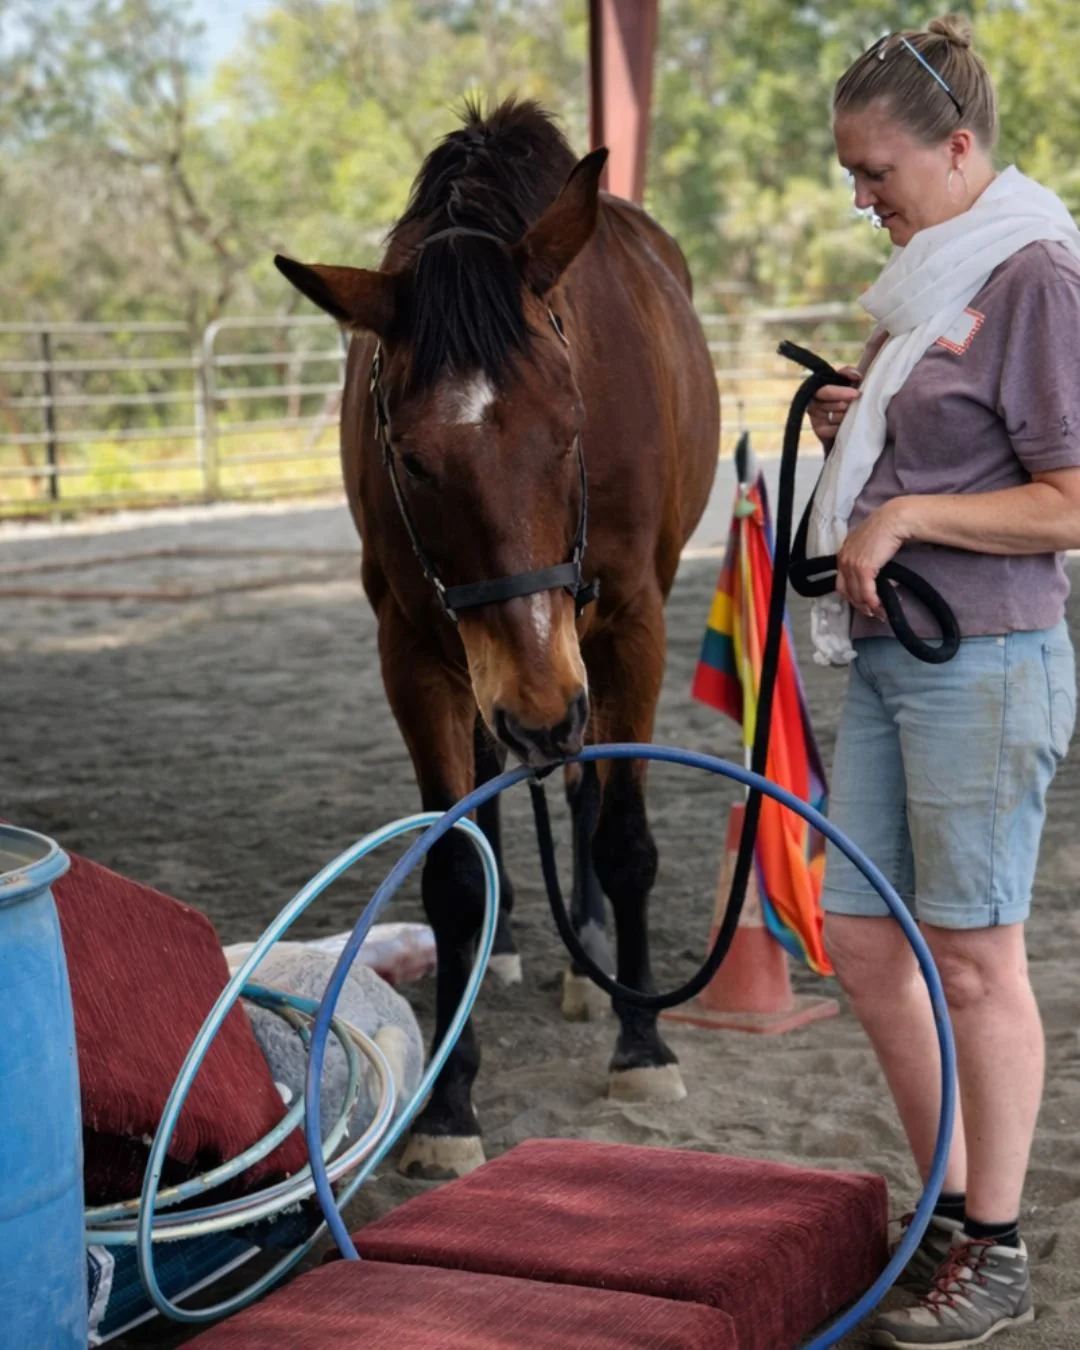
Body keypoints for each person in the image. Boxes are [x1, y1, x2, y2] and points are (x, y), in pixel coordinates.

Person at [809, 14, 1080, 1348]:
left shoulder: (1034, 274)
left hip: (985, 658)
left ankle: (1000, 1245)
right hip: (897, 655)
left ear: (959, 149)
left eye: (878, 172)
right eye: (853, 176)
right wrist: (862, 434)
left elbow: (1070, 501)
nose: (864, 199)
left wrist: (905, 513)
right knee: (862, 938)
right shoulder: (931, 283)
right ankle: (953, 1204)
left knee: (974, 956)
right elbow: (952, 447)